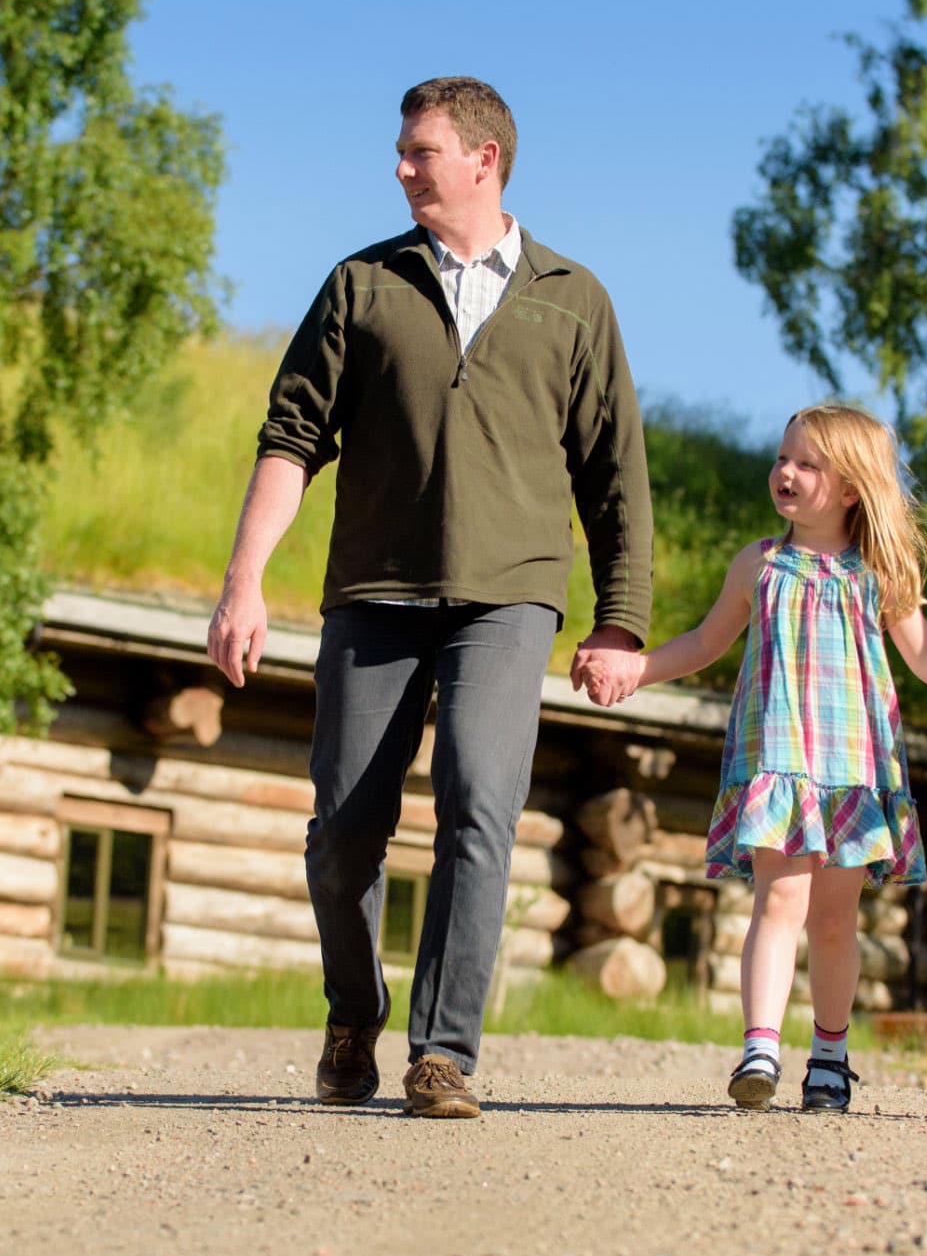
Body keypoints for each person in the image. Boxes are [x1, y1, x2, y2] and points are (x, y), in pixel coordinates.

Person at [208, 77, 653, 1121]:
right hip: (373, 593)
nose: (402, 167)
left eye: (420, 151)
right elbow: (290, 440)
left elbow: (614, 471)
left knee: (477, 803)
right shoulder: (362, 285)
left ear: (483, 158)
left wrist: (620, 615)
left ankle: (442, 1051)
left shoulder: (569, 296)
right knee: (344, 829)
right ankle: (352, 1010)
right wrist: (243, 582)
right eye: (402, 151)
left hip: (510, 599)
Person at [583, 405, 927, 1112]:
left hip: (854, 773)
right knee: (780, 900)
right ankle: (760, 1047)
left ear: (854, 487)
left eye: (807, 463)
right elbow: (704, 643)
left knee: (835, 922)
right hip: (779, 762)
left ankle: (829, 1054)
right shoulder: (760, 564)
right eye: (781, 458)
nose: (785, 473)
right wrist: (634, 668)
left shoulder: (878, 573)